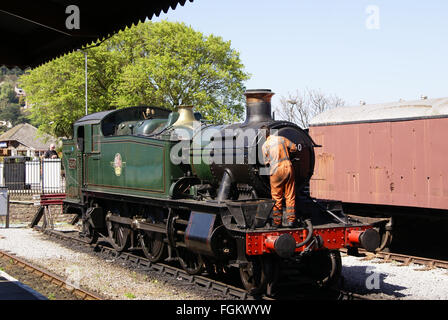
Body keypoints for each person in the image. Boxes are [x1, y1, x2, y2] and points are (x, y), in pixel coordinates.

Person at [261, 125, 298, 228]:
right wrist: (289, 154)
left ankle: (277, 222)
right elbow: (294, 147)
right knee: (290, 195)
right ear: (270, 131)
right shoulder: (281, 139)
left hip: (276, 170)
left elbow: (266, 162)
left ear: (263, 134)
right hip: (288, 167)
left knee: (277, 197)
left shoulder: (265, 145)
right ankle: (291, 221)